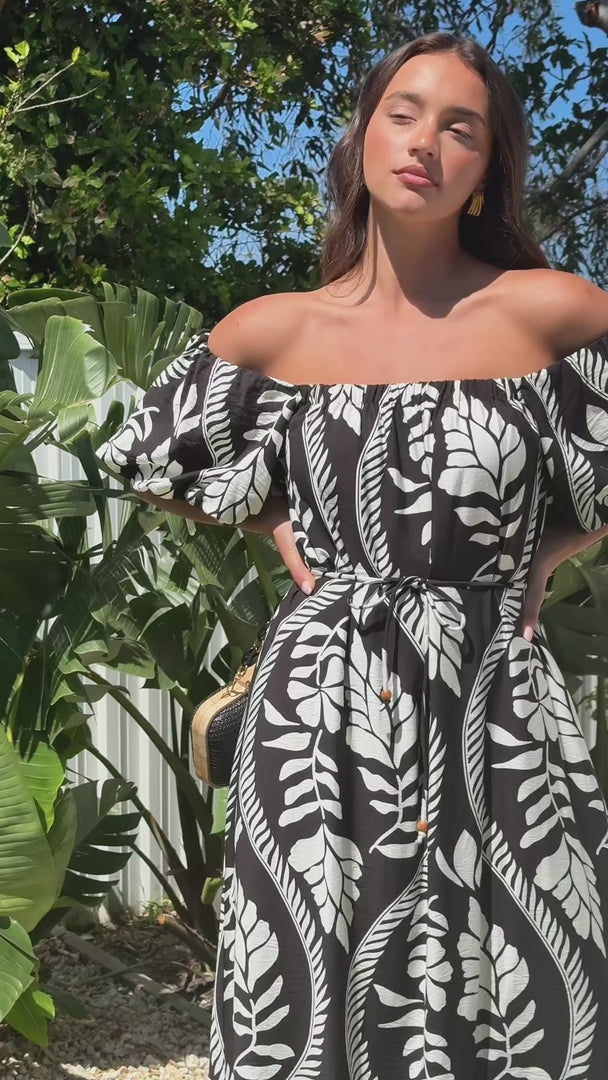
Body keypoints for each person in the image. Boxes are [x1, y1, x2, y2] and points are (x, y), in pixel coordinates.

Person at [97, 30, 608, 1080]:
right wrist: (273, 524)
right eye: (402, 113)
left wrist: (555, 548)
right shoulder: (279, 330)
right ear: (362, 138)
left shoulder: (548, 311)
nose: (424, 142)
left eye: (460, 128)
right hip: (321, 705)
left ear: (486, 168)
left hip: (494, 701)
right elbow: (145, 455)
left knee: (519, 993)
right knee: (315, 994)